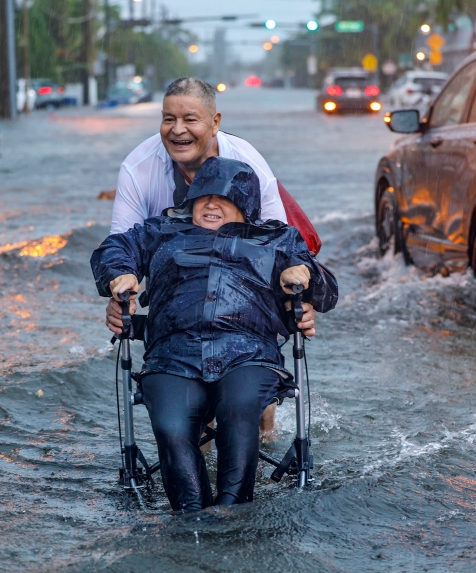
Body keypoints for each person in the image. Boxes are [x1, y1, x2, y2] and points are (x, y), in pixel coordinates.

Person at [91, 157, 338, 511]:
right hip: (172, 355)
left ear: (246, 205)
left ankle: (232, 513)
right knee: (171, 426)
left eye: (223, 199)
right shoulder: (161, 231)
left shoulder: (278, 239)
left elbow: (328, 294)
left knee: (239, 411)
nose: (210, 205)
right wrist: (119, 274)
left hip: (249, 354)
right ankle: (191, 517)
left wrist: (304, 271)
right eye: (203, 197)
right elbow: (113, 248)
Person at [105, 76, 318, 337]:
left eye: (190, 120)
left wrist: (297, 298)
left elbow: (278, 243)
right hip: (177, 297)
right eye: (168, 119)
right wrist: (119, 288)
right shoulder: (138, 168)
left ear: (215, 122)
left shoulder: (248, 163)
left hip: (241, 302)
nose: (177, 130)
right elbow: (121, 245)